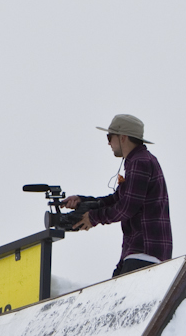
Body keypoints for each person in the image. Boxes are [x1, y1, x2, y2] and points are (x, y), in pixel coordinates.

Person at [65, 114, 172, 277]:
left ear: (123, 137)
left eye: (110, 137)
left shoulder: (140, 162)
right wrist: (82, 202)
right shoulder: (140, 160)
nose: (108, 143)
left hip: (144, 253)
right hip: (141, 252)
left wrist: (93, 218)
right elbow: (117, 199)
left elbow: (126, 208)